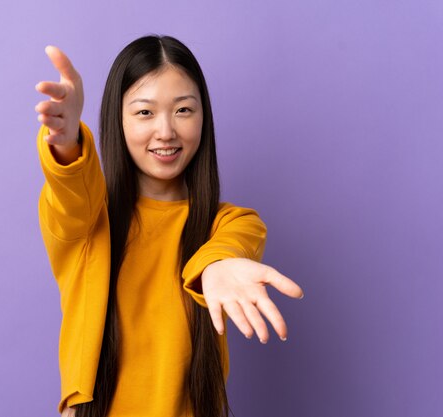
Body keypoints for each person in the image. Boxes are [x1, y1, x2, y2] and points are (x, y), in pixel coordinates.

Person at [34, 35, 304, 417]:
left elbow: (227, 247)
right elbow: (71, 192)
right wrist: (67, 140)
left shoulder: (231, 223)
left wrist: (216, 267)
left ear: (203, 116)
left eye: (183, 110)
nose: (165, 131)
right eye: (145, 112)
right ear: (118, 118)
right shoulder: (89, 222)